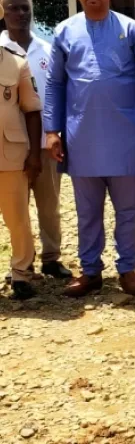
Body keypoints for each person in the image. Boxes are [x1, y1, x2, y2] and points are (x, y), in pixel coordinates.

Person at [44, 0, 135, 298]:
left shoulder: (132, 29)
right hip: (80, 134)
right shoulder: (64, 31)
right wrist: (52, 130)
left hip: (126, 133)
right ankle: (91, 271)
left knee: (127, 209)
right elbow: (54, 83)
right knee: (87, 211)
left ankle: (127, 269)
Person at [1, 0, 72, 280]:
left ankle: (51, 257)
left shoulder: (47, 49)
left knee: (49, 204)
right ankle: (22, 262)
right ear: (3, 13)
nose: (21, 13)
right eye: (13, 8)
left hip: (44, 142)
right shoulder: (1, 51)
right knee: (16, 209)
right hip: (8, 147)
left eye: (25, 8)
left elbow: (58, 93)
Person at [0, 36, 43, 300]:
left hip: (10, 154)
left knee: (17, 219)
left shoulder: (16, 63)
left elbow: (32, 109)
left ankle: (21, 273)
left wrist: (35, 155)